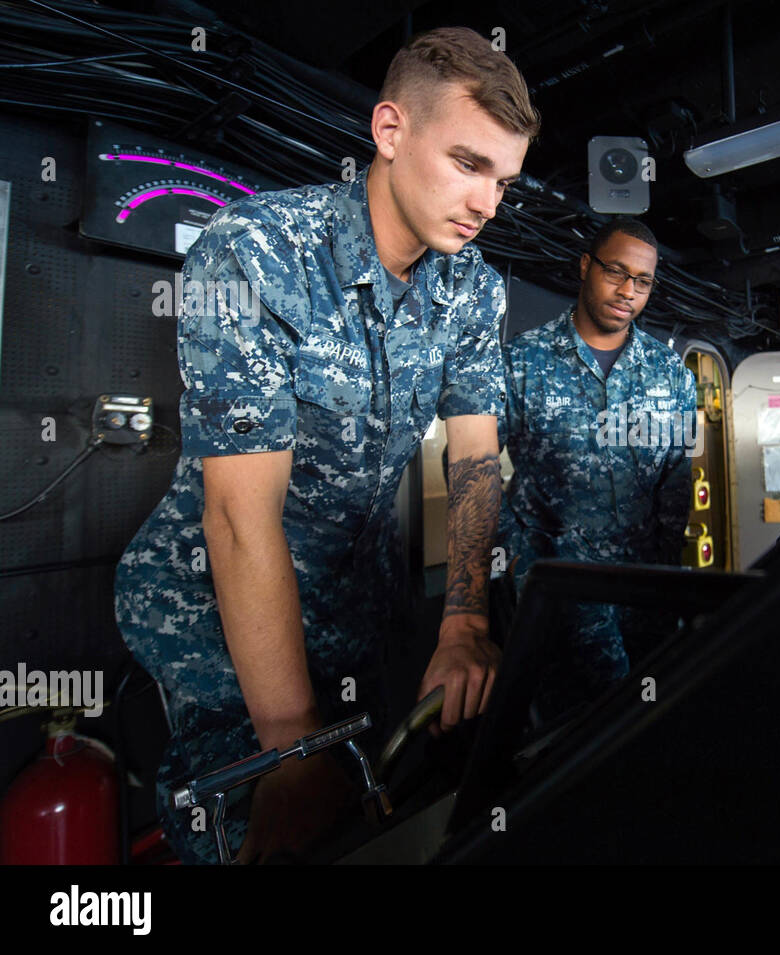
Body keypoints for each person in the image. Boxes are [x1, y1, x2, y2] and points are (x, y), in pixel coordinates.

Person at [114, 26, 538, 864]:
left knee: (373, 826)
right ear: (390, 132)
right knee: (272, 837)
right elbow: (238, 519)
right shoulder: (256, 252)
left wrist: (463, 619)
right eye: (467, 163)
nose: (487, 202)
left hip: (354, 606)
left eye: (505, 179)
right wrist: (293, 747)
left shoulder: (472, 290)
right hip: (215, 616)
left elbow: (476, 458)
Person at [498, 219, 696, 721]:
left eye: (643, 281)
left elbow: (677, 480)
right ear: (586, 266)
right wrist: (516, 555)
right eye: (615, 271)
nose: (628, 290)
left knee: (647, 726)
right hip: (558, 593)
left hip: (646, 592)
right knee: (569, 737)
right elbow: (471, 469)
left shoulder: (670, 372)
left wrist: (674, 579)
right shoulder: (522, 360)